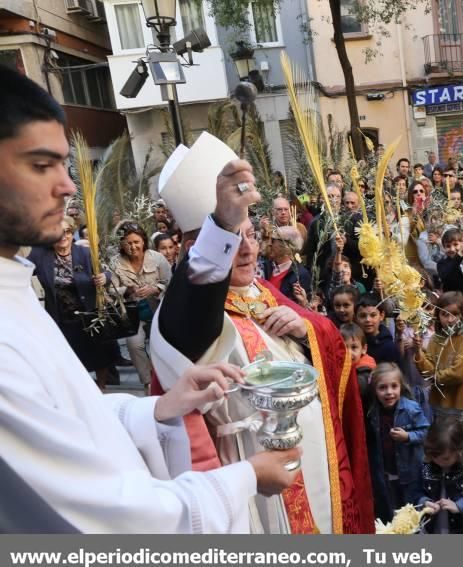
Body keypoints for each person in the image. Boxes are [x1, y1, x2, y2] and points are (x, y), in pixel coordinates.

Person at [0, 66, 299, 533]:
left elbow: (69, 411)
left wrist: (156, 407)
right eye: (41, 165)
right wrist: (244, 478)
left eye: (63, 163)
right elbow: (117, 520)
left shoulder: (10, 286)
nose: (68, 185)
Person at [151, 134, 373, 534]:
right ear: (194, 248)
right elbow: (196, 303)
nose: (248, 249)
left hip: (316, 465)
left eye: (251, 234)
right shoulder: (185, 316)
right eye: (232, 240)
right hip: (249, 477)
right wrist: (223, 223)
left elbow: (331, 342)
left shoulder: (267, 294)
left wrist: (308, 329)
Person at [27, 218, 117, 389]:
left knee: (99, 354)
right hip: (61, 315)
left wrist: (104, 277)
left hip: (89, 313)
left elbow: (106, 272)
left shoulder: (84, 253)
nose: (64, 236)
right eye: (59, 232)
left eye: (68, 231)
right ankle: (79, 389)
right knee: (67, 357)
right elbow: (23, 269)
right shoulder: (40, 254)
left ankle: (101, 388)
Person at [365, 363, 429, 523]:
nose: (389, 392)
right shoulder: (373, 411)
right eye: (383, 387)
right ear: (374, 390)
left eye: (394, 386)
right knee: (391, 507)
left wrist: (408, 436)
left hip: (409, 472)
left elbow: (427, 432)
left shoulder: (411, 409)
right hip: (385, 471)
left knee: (410, 508)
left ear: (401, 386)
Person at [111, 222, 172, 387]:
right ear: (122, 244)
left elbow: (170, 282)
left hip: (158, 308)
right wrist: (128, 290)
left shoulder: (157, 258)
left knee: (160, 344)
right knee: (134, 344)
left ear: (143, 241)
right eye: (128, 243)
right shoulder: (116, 263)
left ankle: (164, 377)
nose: (133, 246)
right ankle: (148, 382)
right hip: (133, 312)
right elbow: (111, 290)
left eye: (136, 242)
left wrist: (155, 288)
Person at [413, 292, 463, 434]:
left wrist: (435, 376)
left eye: (455, 314)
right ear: (438, 316)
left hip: (461, 406)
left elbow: (458, 373)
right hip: (440, 404)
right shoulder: (436, 338)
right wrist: (418, 352)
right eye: (444, 314)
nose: (450, 319)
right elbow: (427, 368)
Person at [412, 418, 463, 534]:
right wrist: (425, 502)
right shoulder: (426, 468)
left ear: (459, 450)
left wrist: (459, 506)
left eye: (445, 458)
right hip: (432, 526)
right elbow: (415, 490)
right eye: (434, 456)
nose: (438, 461)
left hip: (462, 528)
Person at [340, 322, 376, 398]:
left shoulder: (366, 370)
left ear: (363, 349)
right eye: (343, 347)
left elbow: (357, 388)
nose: (348, 353)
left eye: (354, 347)